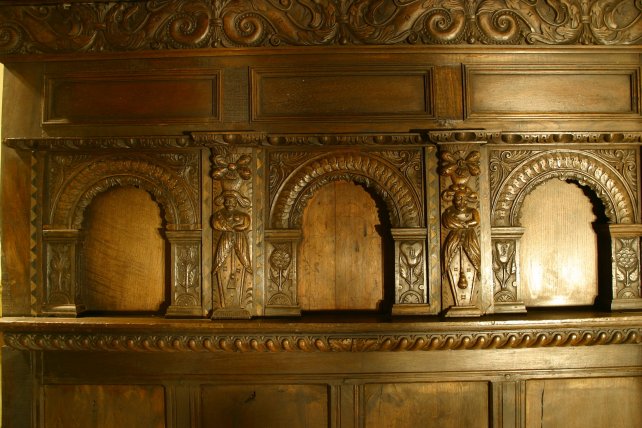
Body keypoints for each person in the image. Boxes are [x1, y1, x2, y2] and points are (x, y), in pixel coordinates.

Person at [212, 191, 252, 307]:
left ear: (236, 202)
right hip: (226, 238)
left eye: (232, 201)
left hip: (239, 239)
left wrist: (233, 227)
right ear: (223, 202)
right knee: (220, 260)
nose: (229, 203)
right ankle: (223, 304)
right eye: (227, 200)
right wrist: (231, 228)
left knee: (244, 261)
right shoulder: (219, 215)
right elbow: (215, 224)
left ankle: (240, 303)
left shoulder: (243, 215)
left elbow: (245, 224)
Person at [441, 187, 481, 290]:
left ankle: (479, 270)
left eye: (464, 199)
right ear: (453, 200)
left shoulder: (472, 210)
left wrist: (466, 224)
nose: (462, 201)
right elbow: (447, 223)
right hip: (454, 235)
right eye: (458, 198)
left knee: (474, 251)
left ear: (468, 200)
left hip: (470, 236)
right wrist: (463, 225)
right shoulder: (449, 211)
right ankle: (444, 270)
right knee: (449, 250)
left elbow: (476, 221)